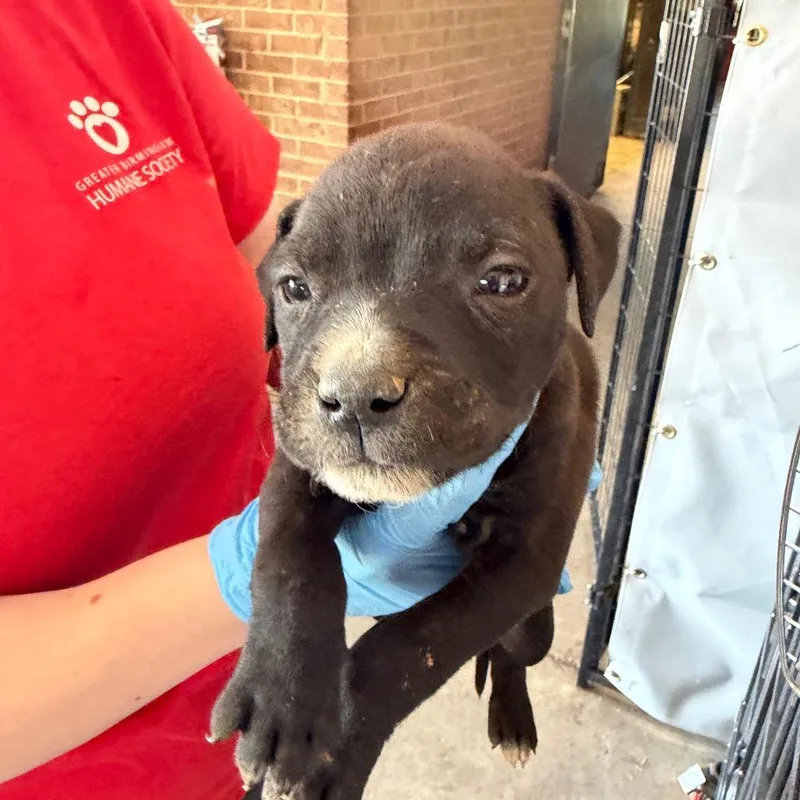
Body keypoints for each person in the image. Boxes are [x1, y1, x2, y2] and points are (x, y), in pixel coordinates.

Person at [0, 2, 591, 798]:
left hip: (222, 733)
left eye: (500, 281)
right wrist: (258, 572)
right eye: (303, 288)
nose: (360, 377)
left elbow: (526, 567)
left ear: (579, 271)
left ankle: (512, 683)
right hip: (75, 769)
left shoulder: (101, 16)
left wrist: (369, 694)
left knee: (524, 625)